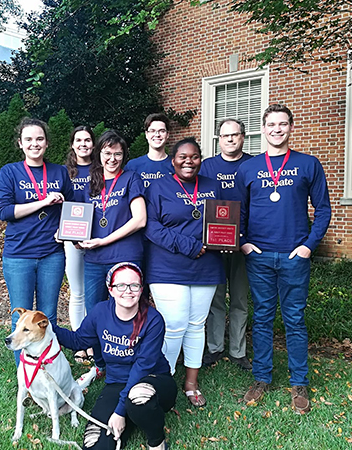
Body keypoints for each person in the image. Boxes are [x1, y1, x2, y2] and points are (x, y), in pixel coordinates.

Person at [236, 104, 331, 414]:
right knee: (262, 318)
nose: (276, 129)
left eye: (282, 124)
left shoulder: (308, 164)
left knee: (295, 319)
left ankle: (299, 382)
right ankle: (262, 378)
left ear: (291, 127)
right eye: (271, 124)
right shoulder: (248, 169)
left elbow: (323, 209)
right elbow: (238, 213)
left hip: (294, 256)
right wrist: (244, 244)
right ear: (263, 129)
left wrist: (308, 246)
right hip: (259, 256)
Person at [54, 262, 176, 450]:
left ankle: (156, 442)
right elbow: (78, 341)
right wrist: (48, 327)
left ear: (141, 289)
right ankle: (134, 416)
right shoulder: (100, 312)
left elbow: (141, 368)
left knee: (138, 398)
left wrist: (119, 412)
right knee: (95, 445)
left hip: (153, 381)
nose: (128, 291)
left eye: (134, 285)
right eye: (120, 285)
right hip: (117, 383)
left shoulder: (153, 320)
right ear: (110, 289)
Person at [145, 137, 225, 407]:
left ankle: (191, 382)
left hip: (206, 267)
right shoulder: (158, 187)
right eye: (183, 157)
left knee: (196, 325)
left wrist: (228, 241)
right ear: (173, 160)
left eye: (194, 157)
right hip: (167, 266)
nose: (188, 161)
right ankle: (163, 379)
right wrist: (188, 245)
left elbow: (225, 220)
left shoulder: (213, 186)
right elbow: (151, 227)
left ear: (200, 159)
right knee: (174, 324)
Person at [0, 118, 74, 366]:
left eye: (39, 138)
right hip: (19, 255)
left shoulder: (59, 172)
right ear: (20, 143)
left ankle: (48, 368)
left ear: (47, 143)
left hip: (52, 253)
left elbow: (72, 209)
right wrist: (42, 202)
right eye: (28, 139)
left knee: (47, 316)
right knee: (20, 318)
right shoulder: (10, 172)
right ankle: (26, 375)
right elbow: (4, 211)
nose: (34, 143)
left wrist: (65, 230)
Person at [199, 118, 253, 370]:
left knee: (240, 298)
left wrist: (246, 239)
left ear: (243, 136)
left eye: (235, 135)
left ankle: (238, 351)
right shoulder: (207, 166)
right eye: (225, 136)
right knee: (216, 299)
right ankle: (215, 348)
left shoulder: (254, 165)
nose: (230, 139)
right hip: (214, 245)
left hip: (244, 244)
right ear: (218, 139)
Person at [80, 130, 146, 312]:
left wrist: (103, 241)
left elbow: (140, 219)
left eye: (118, 153)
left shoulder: (131, 178)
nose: (112, 158)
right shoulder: (91, 184)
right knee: (93, 313)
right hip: (94, 260)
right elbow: (81, 219)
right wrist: (76, 239)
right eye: (107, 153)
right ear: (98, 154)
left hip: (124, 257)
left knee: (127, 311)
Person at [64, 125, 96, 364]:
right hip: (72, 236)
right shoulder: (64, 172)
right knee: (77, 292)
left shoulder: (101, 169)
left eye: (87, 140)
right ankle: (78, 343)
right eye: (79, 140)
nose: (83, 144)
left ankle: (92, 341)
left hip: (98, 236)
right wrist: (68, 236)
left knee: (95, 293)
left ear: (93, 145)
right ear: (72, 145)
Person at [124, 113, 173, 188]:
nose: (157, 134)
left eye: (162, 131)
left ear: (168, 134)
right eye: (152, 131)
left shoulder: (176, 165)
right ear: (146, 134)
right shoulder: (133, 166)